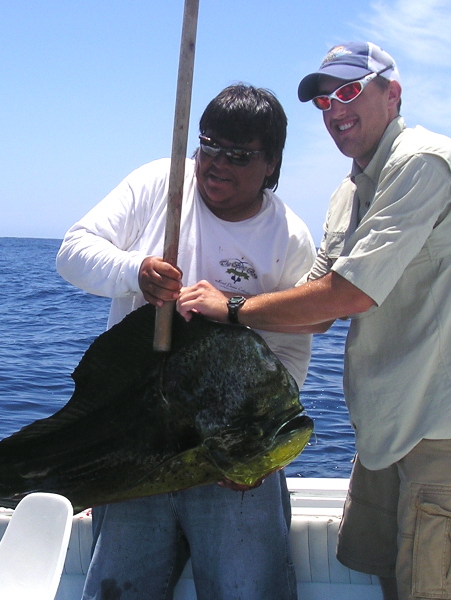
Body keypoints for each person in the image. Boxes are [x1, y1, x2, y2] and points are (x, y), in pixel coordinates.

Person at [177, 43, 451, 600]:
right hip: (388, 422)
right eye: (322, 98)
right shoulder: (347, 192)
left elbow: (349, 295)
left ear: (394, 93)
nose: (333, 107)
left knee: (432, 590)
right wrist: (208, 302)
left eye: (349, 90)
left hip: (450, 425)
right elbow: (312, 312)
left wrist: (230, 306)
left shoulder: (422, 162)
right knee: (387, 573)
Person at [57, 84, 315, 600]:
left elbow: (291, 349)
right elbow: (72, 252)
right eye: (208, 145)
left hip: (229, 460)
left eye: (238, 155)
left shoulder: (288, 237)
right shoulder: (160, 183)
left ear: (271, 163)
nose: (216, 164)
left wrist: (258, 457)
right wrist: (135, 271)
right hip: (136, 441)